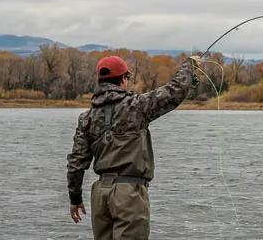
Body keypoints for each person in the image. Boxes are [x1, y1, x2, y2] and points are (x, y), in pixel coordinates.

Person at [67, 54, 199, 239]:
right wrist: (190, 66)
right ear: (123, 79)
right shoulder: (136, 107)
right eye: (127, 78)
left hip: (100, 196)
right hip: (129, 194)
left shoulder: (86, 118)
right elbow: (173, 92)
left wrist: (75, 198)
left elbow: (76, 163)